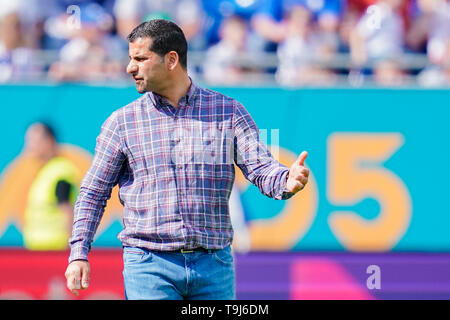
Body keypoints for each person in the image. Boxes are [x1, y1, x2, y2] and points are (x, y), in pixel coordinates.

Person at [64, 19, 310, 300]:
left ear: (171, 60)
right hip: (148, 265)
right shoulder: (121, 123)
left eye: (140, 59)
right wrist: (78, 253)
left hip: (213, 266)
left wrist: (286, 181)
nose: (130, 67)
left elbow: (261, 168)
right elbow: (93, 193)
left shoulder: (228, 112)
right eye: (131, 59)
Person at [22, 122, 80, 250]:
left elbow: (67, 211)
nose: (29, 146)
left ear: (49, 141)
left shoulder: (61, 171)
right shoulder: (45, 171)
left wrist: (72, 251)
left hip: (55, 251)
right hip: (38, 250)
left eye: (34, 140)